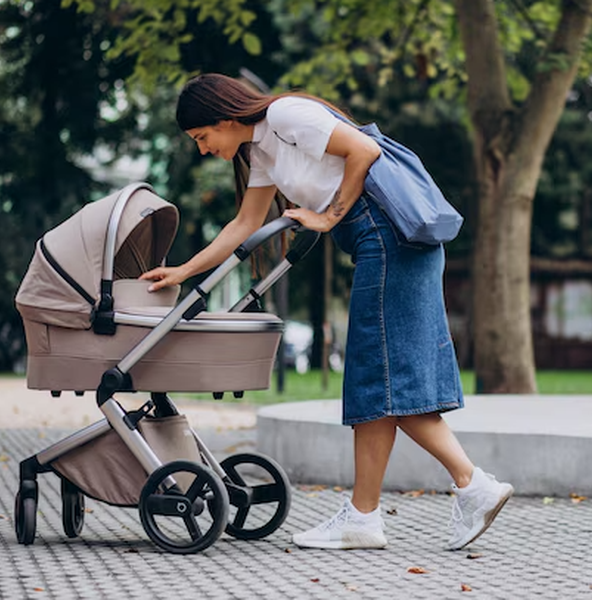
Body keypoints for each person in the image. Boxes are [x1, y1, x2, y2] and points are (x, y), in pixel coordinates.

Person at [140, 73, 514, 551]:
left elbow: (364, 151)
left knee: (379, 377)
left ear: (226, 117)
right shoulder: (261, 150)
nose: (202, 148)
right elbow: (245, 224)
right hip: (384, 244)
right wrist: (182, 271)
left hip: (386, 238)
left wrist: (328, 216)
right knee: (382, 379)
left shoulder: (285, 115)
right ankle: (369, 515)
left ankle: (467, 485)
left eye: (202, 137)